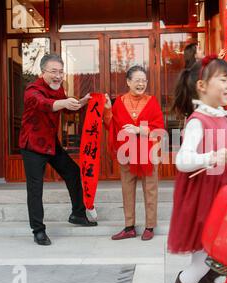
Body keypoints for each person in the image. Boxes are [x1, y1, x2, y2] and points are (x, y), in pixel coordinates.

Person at [166, 56, 227, 283]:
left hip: (220, 200)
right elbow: (182, 161)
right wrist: (210, 157)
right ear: (202, 86)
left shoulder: (223, 119)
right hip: (203, 202)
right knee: (202, 260)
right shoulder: (198, 121)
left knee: (219, 255)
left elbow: (225, 164)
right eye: (222, 79)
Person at [19, 54, 98, 246]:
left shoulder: (59, 88)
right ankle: (38, 230)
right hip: (32, 146)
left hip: (51, 143)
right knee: (35, 189)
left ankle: (77, 214)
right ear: (42, 72)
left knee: (72, 172)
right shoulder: (32, 90)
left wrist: (82, 102)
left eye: (61, 72)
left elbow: (67, 107)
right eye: (53, 71)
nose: (58, 76)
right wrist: (64, 102)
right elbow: (44, 104)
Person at [103, 65, 165, 241]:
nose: (141, 83)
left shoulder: (152, 102)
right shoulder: (119, 102)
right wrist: (108, 109)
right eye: (137, 80)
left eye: (143, 80)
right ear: (128, 82)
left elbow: (159, 127)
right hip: (127, 152)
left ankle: (150, 227)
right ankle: (129, 226)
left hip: (148, 152)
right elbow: (111, 125)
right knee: (127, 189)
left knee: (151, 189)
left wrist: (139, 129)